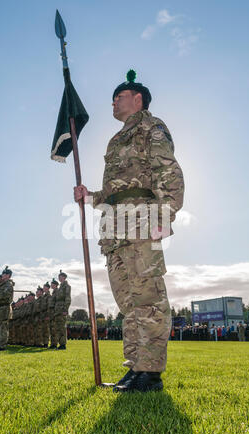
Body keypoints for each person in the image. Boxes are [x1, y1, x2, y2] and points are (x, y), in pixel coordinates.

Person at [74, 70, 184, 392]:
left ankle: (150, 373)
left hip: (141, 223)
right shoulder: (117, 139)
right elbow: (114, 190)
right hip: (116, 228)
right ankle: (135, 368)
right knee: (129, 303)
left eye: (118, 97)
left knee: (147, 298)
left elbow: (169, 172)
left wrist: (165, 215)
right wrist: (89, 197)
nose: (113, 102)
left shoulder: (151, 127)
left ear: (137, 99)